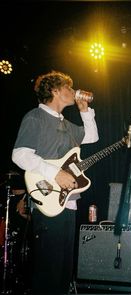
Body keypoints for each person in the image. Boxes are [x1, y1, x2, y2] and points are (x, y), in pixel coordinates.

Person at [11, 70, 99, 294]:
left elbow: (92, 136)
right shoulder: (35, 117)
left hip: (68, 200)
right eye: (68, 88)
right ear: (54, 90)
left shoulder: (67, 124)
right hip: (47, 196)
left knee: (63, 271)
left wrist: (85, 111)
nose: (73, 91)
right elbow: (20, 155)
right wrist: (54, 173)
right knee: (48, 270)